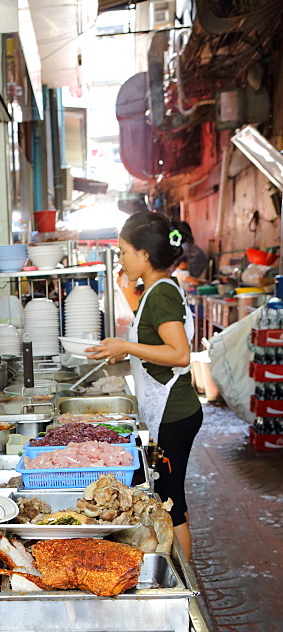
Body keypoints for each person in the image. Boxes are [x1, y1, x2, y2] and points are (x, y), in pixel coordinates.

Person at [85, 211, 202, 560]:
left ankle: (182, 581)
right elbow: (154, 346)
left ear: (144, 255)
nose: (120, 259)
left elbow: (180, 354)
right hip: (167, 411)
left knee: (171, 501)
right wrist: (121, 354)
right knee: (166, 495)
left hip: (175, 414)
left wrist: (125, 346)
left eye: (123, 251)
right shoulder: (154, 290)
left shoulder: (162, 292)